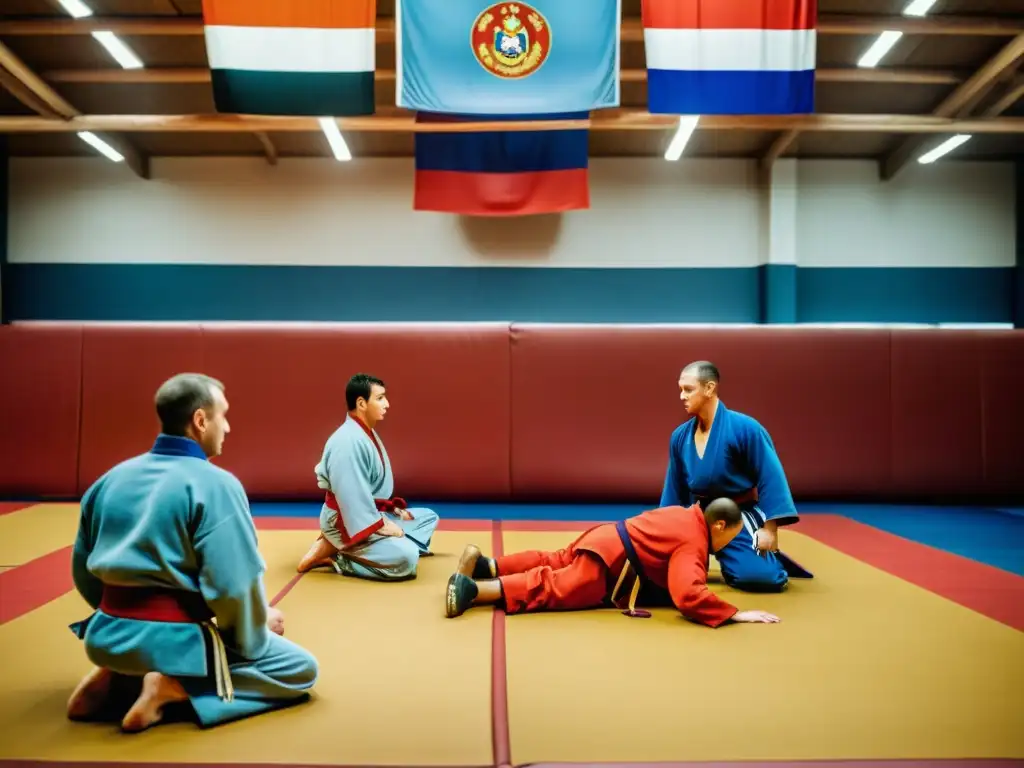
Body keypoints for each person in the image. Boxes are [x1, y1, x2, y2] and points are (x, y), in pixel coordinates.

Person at [65, 373, 319, 733]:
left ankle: (122, 674)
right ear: (200, 421)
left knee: (158, 634)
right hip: (173, 640)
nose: (228, 427)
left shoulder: (110, 479)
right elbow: (233, 588)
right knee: (299, 669)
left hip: (106, 634)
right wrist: (254, 632)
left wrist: (125, 620)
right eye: (223, 416)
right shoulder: (217, 485)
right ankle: (172, 688)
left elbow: (83, 571)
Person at [444, 498, 780, 627]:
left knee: (554, 559)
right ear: (718, 525)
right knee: (555, 585)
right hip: (611, 563)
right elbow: (687, 593)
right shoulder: (694, 540)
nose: (725, 545)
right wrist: (735, 613)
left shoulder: (685, 512)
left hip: (604, 535)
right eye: (730, 537)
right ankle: (474, 589)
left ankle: (487, 564)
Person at [660, 360, 813, 593]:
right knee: (655, 569)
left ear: (709, 388)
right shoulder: (680, 436)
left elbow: (771, 477)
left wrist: (770, 530)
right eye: (680, 389)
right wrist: (662, 532)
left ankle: (761, 560)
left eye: (688, 389)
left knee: (761, 578)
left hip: (736, 517)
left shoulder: (745, 428)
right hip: (698, 518)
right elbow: (674, 489)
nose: (682, 396)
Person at [297, 373, 440, 581]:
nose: (387, 404)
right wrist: (383, 526)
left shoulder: (362, 433)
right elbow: (352, 499)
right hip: (346, 522)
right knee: (407, 558)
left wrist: (392, 511)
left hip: (367, 513)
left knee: (428, 518)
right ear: (361, 403)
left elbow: (370, 492)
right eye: (380, 398)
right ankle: (341, 555)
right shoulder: (347, 442)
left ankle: (341, 546)